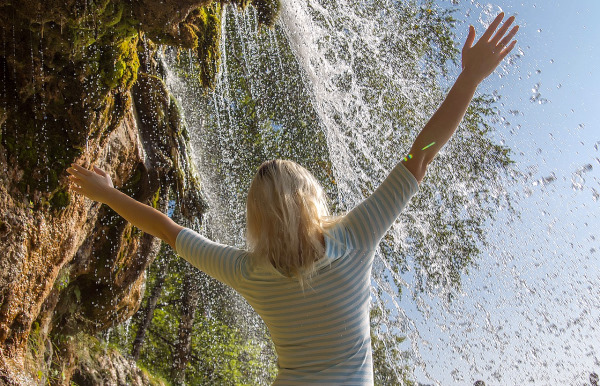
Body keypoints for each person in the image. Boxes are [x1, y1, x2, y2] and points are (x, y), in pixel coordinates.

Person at [67, 12, 518, 385]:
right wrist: (470, 78)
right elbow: (421, 154)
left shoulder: (248, 271)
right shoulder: (355, 237)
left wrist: (106, 193)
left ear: (256, 219)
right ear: (311, 200)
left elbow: (166, 229)